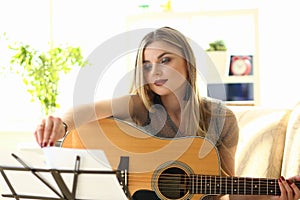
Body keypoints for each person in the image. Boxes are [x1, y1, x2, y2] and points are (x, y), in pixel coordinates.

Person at [34, 27, 299, 200]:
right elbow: (81, 112)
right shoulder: (137, 105)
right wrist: (59, 123)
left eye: (165, 60)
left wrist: (275, 193)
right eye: (147, 65)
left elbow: (225, 187)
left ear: (188, 63)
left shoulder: (220, 118)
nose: (155, 72)